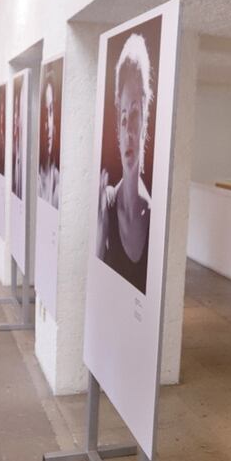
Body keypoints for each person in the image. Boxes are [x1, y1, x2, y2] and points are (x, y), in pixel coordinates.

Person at [97, 33, 153, 294]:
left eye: (135, 114)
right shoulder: (106, 205)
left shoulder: (152, 213)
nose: (129, 129)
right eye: (123, 116)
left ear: (145, 121)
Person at [39, 68, 60, 207]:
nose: (48, 124)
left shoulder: (58, 181)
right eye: (45, 112)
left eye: (51, 111)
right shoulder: (37, 179)